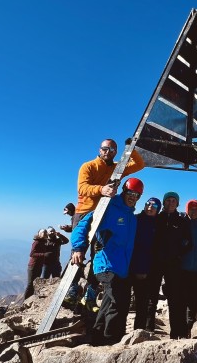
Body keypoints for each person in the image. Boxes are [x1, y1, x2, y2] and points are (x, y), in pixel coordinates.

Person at [64, 138, 145, 309]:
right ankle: (71, 289)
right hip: (85, 211)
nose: (108, 152)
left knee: (98, 254)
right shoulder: (88, 166)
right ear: (100, 150)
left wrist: (131, 148)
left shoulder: (117, 168)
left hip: (105, 215)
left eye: (112, 150)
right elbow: (82, 188)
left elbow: (139, 165)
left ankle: (90, 293)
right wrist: (102, 189)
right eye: (105, 149)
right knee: (78, 252)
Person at [70, 177, 144, 345]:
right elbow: (83, 225)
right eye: (130, 193)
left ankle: (98, 337)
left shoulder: (131, 217)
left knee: (109, 303)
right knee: (119, 303)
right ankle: (112, 340)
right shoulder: (108, 207)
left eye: (137, 195)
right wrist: (78, 247)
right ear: (124, 192)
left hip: (121, 268)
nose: (133, 197)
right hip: (106, 264)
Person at [149, 191, 192, 339]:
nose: (171, 203)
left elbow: (188, 242)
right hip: (155, 262)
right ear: (164, 202)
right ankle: (148, 332)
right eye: (168, 200)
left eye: (174, 201)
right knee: (151, 297)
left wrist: (178, 253)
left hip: (173, 263)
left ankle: (177, 333)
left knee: (175, 298)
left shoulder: (181, 221)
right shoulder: (156, 218)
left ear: (177, 204)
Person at [129, 197, 161, 330]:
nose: (150, 208)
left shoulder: (159, 223)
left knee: (151, 301)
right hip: (136, 266)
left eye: (154, 207)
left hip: (154, 268)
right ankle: (139, 331)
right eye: (148, 204)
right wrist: (140, 269)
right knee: (141, 301)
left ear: (158, 210)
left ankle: (148, 330)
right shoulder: (136, 220)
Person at [181, 199, 197, 338]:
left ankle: (188, 328)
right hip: (181, 269)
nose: (193, 211)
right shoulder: (181, 224)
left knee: (192, 301)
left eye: (196, 209)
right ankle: (179, 328)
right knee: (180, 300)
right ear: (186, 210)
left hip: (196, 270)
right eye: (191, 208)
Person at [24, 228, 69, 299]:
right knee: (43, 282)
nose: (52, 232)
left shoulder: (57, 241)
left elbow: (66, 241)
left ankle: (55, 297)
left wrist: (60, 235)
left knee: (56, 281)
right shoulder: (44, 241)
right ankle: (40, 297)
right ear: (47, 233)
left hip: (55, 263)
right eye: (50, 231)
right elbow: (33, 253)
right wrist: (44, 254)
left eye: (53, 231)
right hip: (45, 265)